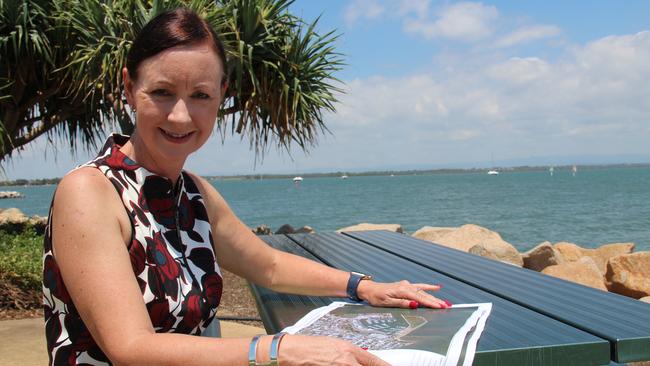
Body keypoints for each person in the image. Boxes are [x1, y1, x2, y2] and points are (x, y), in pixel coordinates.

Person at [42, 8, 449, 366]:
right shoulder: (90, 192)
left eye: (200, 95)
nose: (181, 116)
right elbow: (130, 348)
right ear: (130, 87)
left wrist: (363, 286)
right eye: (162, 93)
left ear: (222, 94)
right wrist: (279, 349)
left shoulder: (193, 193)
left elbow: (267, 265)